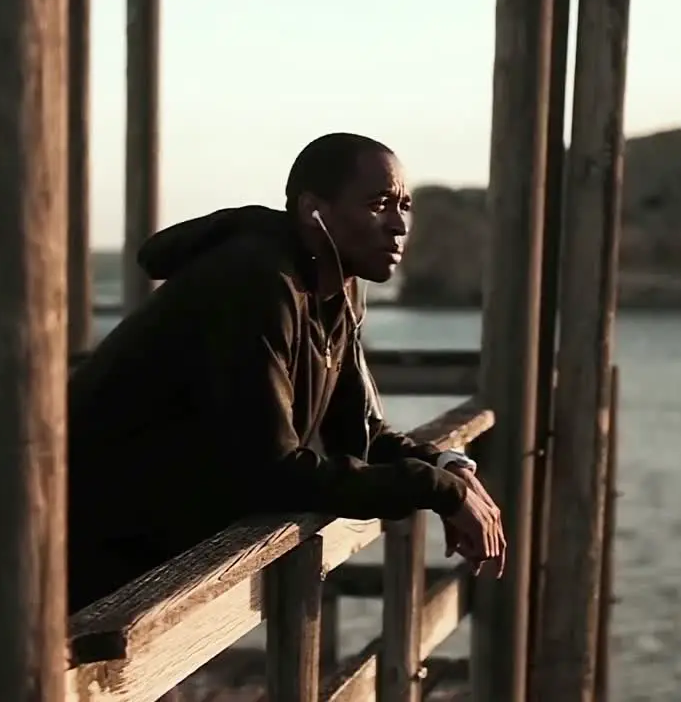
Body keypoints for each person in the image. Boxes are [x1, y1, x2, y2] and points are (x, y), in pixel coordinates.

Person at [66, 133, 506, 613]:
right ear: (314, 212)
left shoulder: (336, 288)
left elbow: (356, 432)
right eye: (379, 204)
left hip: (143, 553)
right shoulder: (254, 283)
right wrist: (432, 490)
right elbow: (273, 473)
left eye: (404, 205)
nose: (398, 225)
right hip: (80, 546)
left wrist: (448, 469)